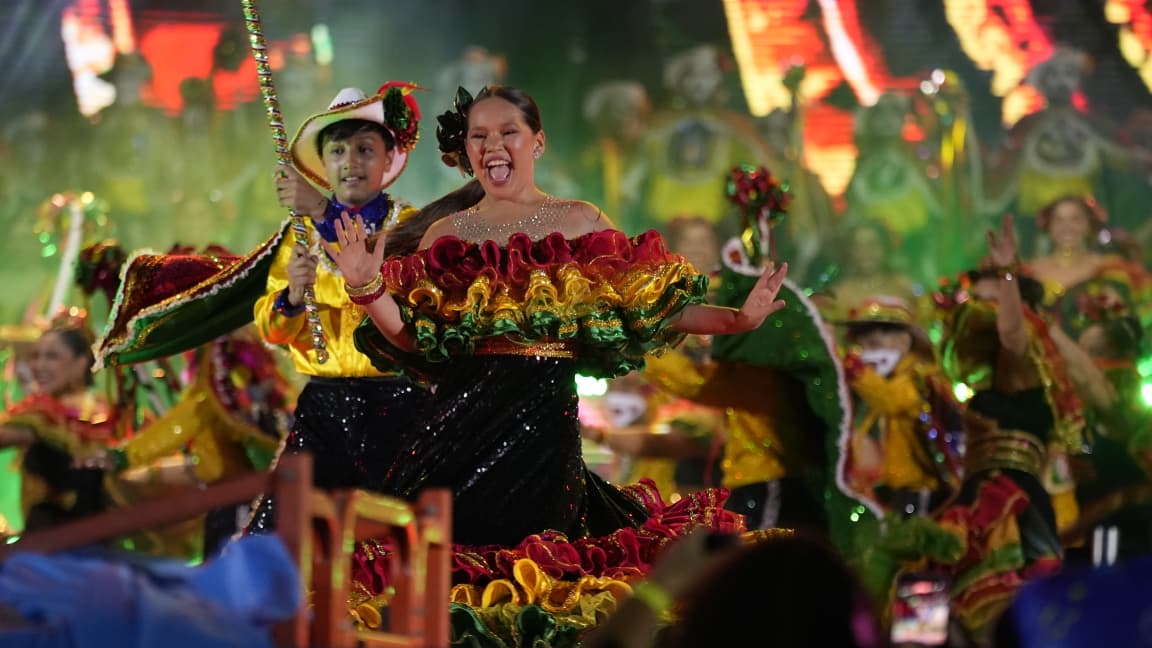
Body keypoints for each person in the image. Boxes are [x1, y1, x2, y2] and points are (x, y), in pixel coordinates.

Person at [333, 85, 788, 548]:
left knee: (548, 559)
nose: (492, 145)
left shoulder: (580, 222)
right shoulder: (445, 234)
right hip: (456, 435)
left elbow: (654, 307)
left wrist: (736, 319)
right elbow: (413, 339)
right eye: (478, 135)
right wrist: (366, 288)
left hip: (545, 441)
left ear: (538, 143)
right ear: (467, 149)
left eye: (508, 131)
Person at [245, 82, 434, 532]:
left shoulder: (411, 227)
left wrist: (322, 210)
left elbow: (376, 276)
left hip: (398, 404)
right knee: (280, 536)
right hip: (323, 407)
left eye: (365, 150)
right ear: (324, 163)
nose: (351, 162)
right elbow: (271, 330)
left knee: (396, 542)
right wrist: (291, 296)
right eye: (338, 151)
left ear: (389, 160)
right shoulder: (299, 234)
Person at [934, 215, 1085, 641]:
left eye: (995, 300)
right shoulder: (975, 380)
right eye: (976, 301)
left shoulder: (1023, 365)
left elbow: (1012, 334)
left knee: (1026, 608)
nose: (980, 311)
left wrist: (1006, 275)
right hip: (970, 498)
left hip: (1014, 504)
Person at [840, 295, 961, 516]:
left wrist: (853, 368)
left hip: (924, 494)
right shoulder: (888, 379)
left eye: (874, 344)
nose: (867, 354)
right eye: (863, 346)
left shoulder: (920, 378)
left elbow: (891, 400)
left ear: (905, 341)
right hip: (896, 492)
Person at [0, 318, 116, 532]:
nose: (38, 365)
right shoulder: (106, 409)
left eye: (51, 356)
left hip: (61, 548)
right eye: (35, 356)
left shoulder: (48, 413)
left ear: (81, 362)